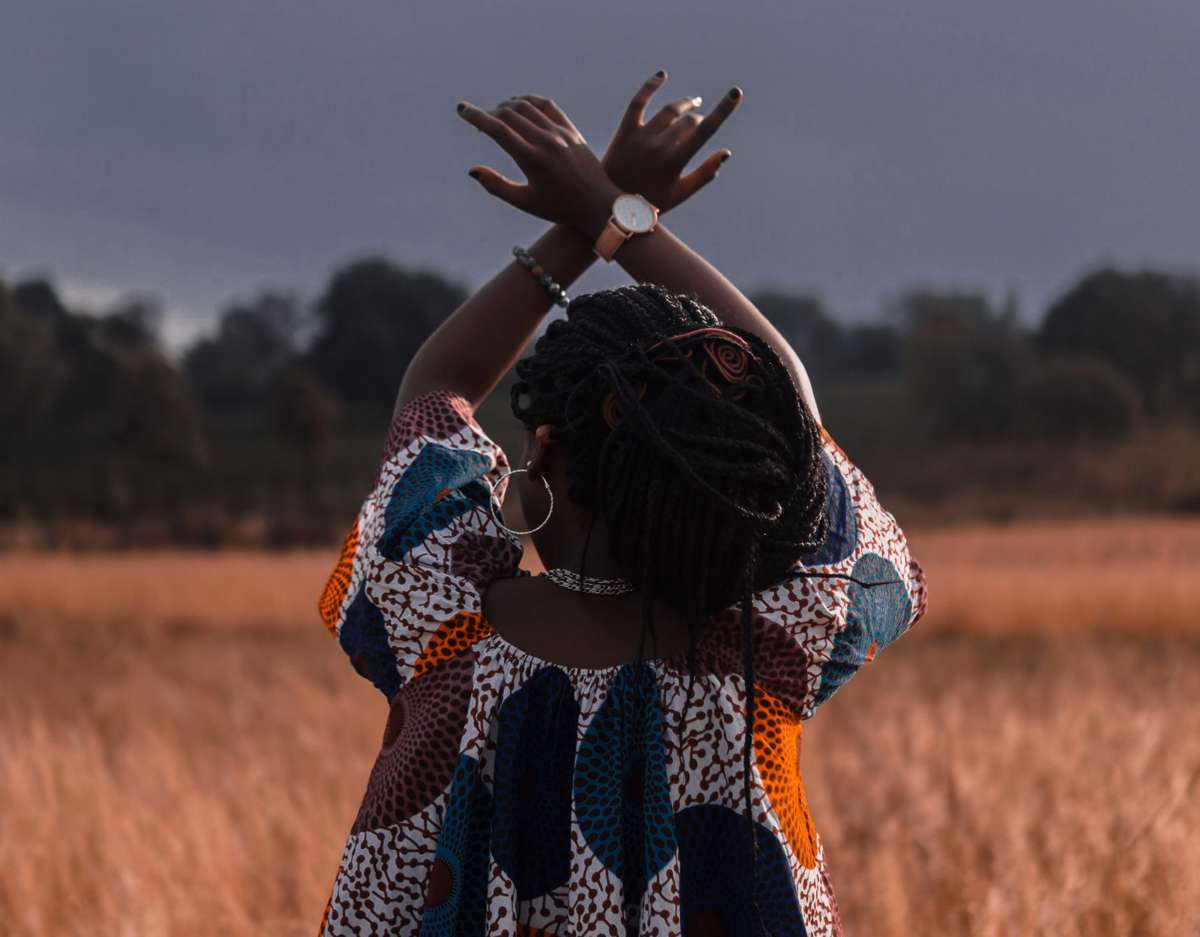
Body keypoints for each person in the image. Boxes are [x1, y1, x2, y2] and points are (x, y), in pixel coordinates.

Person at [316, 70, 927, 937]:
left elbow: (435, 387)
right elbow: (793, 415)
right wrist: (616, 214)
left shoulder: (438, 622)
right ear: (746, 483)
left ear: (542, 452)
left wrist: (576, 229)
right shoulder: (768, 645)